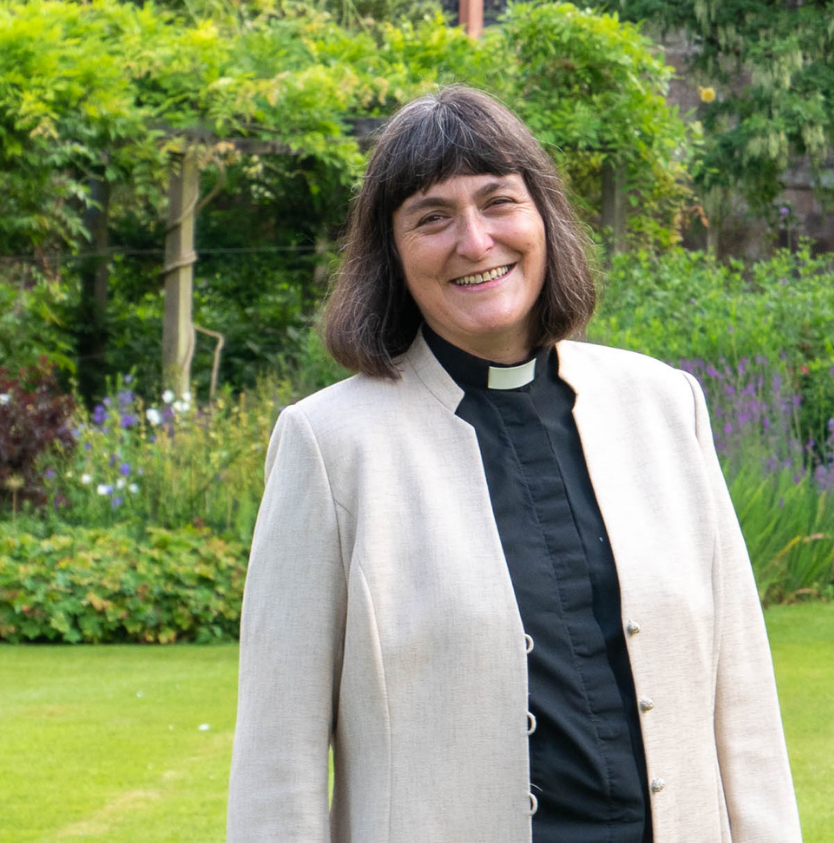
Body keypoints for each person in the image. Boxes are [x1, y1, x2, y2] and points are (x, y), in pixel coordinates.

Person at [226, 85, 801, 843]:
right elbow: (278, 759)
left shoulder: (666, 406)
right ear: (392, 256)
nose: (475, 240)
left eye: (498, 201)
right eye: (432, 217)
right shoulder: (331, 446)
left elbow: (745, 710)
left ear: (543, 219)